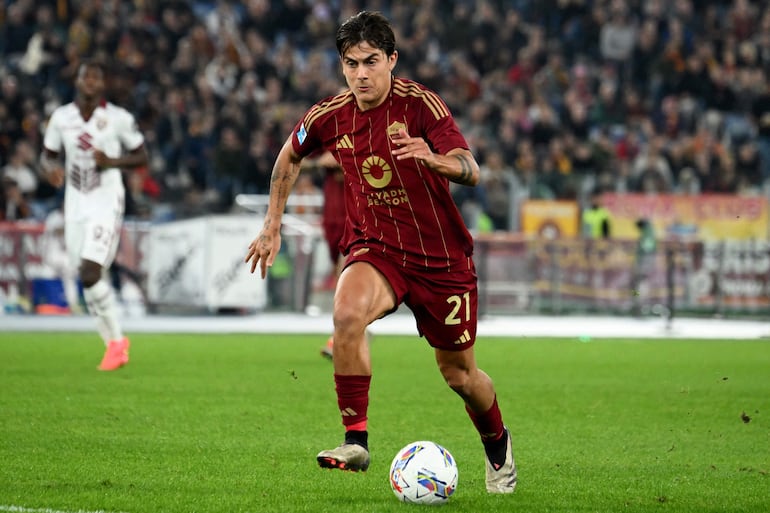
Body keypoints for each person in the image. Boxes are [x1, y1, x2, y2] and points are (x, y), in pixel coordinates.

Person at [244, 11, 516, 493]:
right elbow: (289, 154)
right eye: (351, 64)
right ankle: (356, 439)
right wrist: (271, 226)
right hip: (379, 249)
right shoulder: (329, 115)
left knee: (460, 375)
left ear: (392, 59)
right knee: (346, 315)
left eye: (371, 61)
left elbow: (471, 169)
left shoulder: (421, 106)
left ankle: (497, 446)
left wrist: (430, 158)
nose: (361, 74)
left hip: (442, 261)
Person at [41, 60, 148, 371]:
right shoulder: (61, 118)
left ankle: (116, 342)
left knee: (90, 271)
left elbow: (142, 155)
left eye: (96, 77)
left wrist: (112, 161)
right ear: (77, 80)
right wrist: (50, 171)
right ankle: (114, 344)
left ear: (102, 84)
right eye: (85, 76)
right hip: (75, 203)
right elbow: (46, 158)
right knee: (87, 278)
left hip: (106, 200)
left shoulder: (117, 118)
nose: (90, 81)